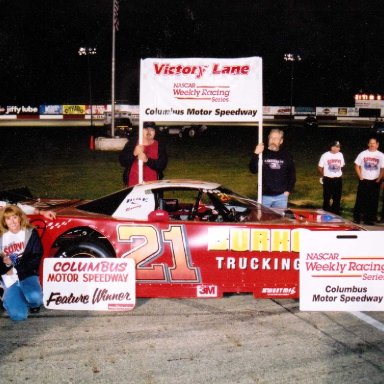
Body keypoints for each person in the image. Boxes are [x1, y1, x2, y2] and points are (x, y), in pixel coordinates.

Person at [0, 205, 44, 321]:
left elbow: (36, 256)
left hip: (27, 274)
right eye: (8, 219)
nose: (12, 221)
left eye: (14, 217)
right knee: (18, 316)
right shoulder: (1, 237)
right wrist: (7, 265)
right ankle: (9, 299)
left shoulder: (30, 233)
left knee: (35, 298)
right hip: (9, 279)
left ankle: (30, 301)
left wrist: (17, 267)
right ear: (4, 221)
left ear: (20, 217)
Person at [249, 128, 296, 208]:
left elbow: (292, 175)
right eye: (271, 138)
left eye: (276, 138)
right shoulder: (262, 153)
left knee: (278, 219)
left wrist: (288, 191)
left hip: (281, 197)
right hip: (264, 196)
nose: (273, 140)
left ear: (281, 141)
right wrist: (256, 154)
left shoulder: (286, 155)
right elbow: (253, 169)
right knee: (262, 218)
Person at [119, 121, 168, 187]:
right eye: (146, 129)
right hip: (133, 185)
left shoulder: (159, 145)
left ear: (155, 132)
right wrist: (134, 154)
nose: (149, 132)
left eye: (152, 130)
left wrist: (147, 160)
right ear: (140, 131)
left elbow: (162, 165)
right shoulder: (132, 143)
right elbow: (122, 161)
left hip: (153, 186)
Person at [353, 137, 384, 225]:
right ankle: (357, 218)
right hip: (364, 180)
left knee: (373, 200)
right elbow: (356, 165)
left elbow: (382, 168)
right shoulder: (363, 154)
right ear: (368, 144)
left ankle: (369, 219)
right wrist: (361, 177)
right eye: (370, 143)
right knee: (360, 200)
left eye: (373, 143)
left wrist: (379, 178)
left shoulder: (381, 155)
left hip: (375, 180)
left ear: (377, 145)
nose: (372, 145)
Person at [318, 141, 345, 214]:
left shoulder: (340, 155)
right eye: (337, 147)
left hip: (338, 178)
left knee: (337, 197)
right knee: (327, 196)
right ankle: (326, 211)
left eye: (339, 147)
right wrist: (323, 175)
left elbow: (341, 166)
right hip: (328, 178)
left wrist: (339, 174)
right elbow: (320, 167)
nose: (339, 148)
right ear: (332, 147)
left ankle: (335, 211)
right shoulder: (325, 155)